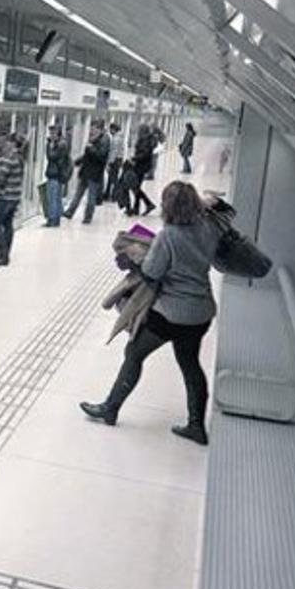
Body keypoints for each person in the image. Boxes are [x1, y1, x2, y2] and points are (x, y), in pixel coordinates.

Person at [80, 182, 222, 445]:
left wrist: (136, 255)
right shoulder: (209, 228)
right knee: (191, 364)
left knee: (133, 354)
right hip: (201, 312)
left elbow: (151, 273)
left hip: (170, 313)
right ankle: (196, 426)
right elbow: (221, 221)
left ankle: (110, 408)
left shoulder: (169, 235)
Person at [64, 118, 110, 224]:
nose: (92, 131)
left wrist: (91, 149)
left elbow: (102, 157)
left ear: (101, 129)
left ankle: (87, 217)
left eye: (94, 128)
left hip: (94, 173)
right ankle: (70, 212)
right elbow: (87, 156)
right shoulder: (92, 139)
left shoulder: (104, 140)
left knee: (91, 196)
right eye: (91, 128)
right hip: (85, 172)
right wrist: (77, 162)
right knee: (78, 194)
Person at [0, 133, 25, 266]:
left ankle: (3, 256)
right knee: (8, 225)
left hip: (4, 197)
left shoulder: (7, 158)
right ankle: (6, 253)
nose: (3, 144)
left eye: (7, 141)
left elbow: (0, 177)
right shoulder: (19, 158)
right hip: (15, 196)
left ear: (13, 144)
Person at [42, 125, 71, 227]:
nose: (51, 135)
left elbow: (51, 157)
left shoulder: (60, 145)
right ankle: (56, 219)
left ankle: (52, 220)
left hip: (55, 174)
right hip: (58, 174)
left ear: (57, 133)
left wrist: (49, 146)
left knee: (52, 198)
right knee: (57, 198)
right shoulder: (62, 143)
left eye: (53, 133)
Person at [128, 125, 157, 216]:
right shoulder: (147, 140)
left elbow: (144, 154)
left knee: (135, 187)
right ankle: (136, 208)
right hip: (142, 166)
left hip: (141, 167)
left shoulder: (145, 140)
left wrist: (134, 158)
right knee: (136, 187)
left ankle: (148, 204)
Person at [102, 122, 123, 202]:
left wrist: (109, 163)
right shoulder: (120, 137)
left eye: (110, 129)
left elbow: (114, 152)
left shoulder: (116, 139)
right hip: (118, 160)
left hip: (115, 161)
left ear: (113, 129)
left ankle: (116, 195)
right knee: (112, 179)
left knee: (113, 179)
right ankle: (108, 194)